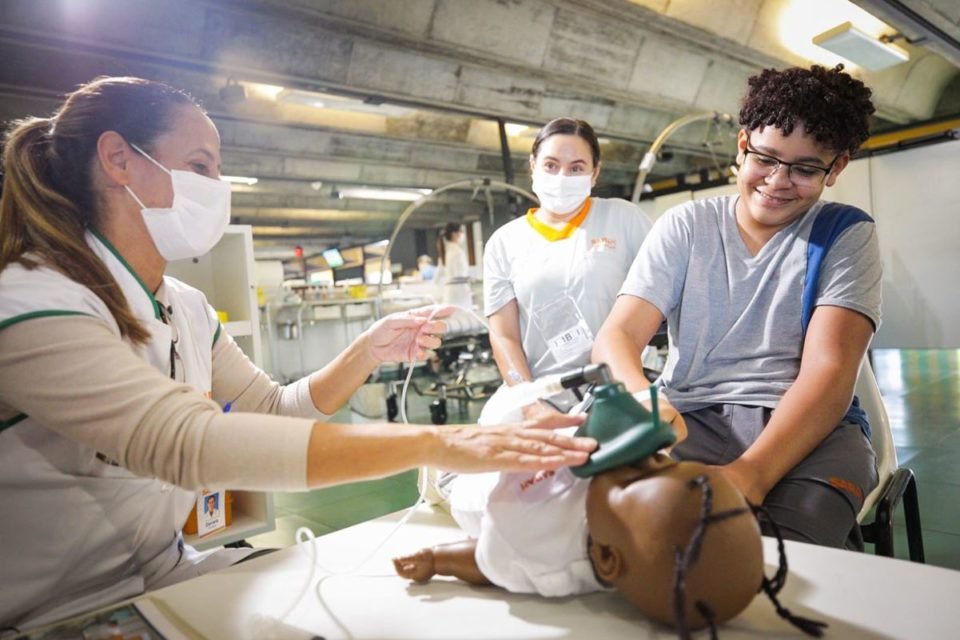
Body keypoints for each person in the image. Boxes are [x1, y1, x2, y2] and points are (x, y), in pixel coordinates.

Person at [0, 76, 597, 631]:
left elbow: (274, 410)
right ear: (120, 160)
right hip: (51, 609)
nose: (215, 188)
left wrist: (367, 351)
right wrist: (445, 444)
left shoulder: (185, 308)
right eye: (200, 166)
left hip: (160, 580)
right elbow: (185, 443)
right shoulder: (30, 301)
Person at [593, 64, 881, 549]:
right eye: (766, 158)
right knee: (605, 529)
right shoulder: (685, 225)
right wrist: (645, 402)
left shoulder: (844, 235)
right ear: (743, 144)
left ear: (837, 168)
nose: (778, 180)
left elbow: (828, 377)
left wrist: (751, 473)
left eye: (806, 168)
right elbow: (616, 338)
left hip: (806, 429)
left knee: (775, 559)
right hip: (689, 416)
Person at [394, 446, 826, 637]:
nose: (639, 458)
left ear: (604, 556)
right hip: (529, 446)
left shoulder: (547, 561)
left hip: (475, 490)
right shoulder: (627, 518)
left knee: (447, 475)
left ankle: (432, 474)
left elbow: (488, 564)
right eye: (661, 460)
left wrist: (437, 560)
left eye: (636, 473)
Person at [481, 117, 653, 423]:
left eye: (576, 168)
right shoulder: (504, 243)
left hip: (618, 389)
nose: (562, 176)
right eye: (550, 165)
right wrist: (531, 404)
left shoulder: (624, 219)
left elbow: (663, 296)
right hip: (539, 394)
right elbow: (504, 336)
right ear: (532, 166)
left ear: (595, 172)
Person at [434, 222, 472, 309]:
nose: (462, 235)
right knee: (463, 319)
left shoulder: (445, 252)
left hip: (449, 292)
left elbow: (438, 276)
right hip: (460, 291)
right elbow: (463, 273)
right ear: (454, 234)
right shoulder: (458, 251)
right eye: (461, 232)